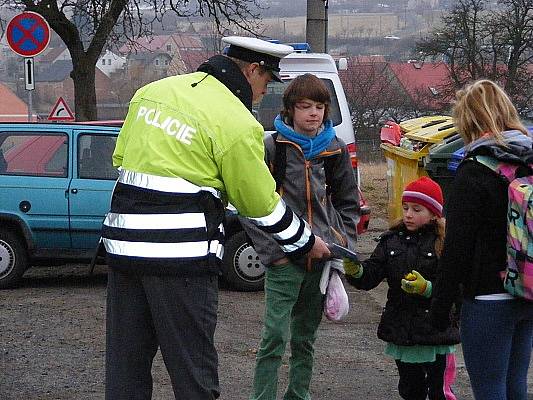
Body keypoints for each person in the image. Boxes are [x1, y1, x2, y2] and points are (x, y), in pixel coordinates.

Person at [101, 37, 332, 400]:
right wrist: (306, 241)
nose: (262, 93)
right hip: (182, 259)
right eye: (266, 82)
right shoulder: (236, 121)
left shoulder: (152, 93)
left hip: (123, 251)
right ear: (252, 70)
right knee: (193, 371)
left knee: (125, 368)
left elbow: (120, 158)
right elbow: (260, 203)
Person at [243, 73, 360, 400]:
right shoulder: (272, 147)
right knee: (275, 337)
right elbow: (249, 204)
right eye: (305, 106)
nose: (313, 113)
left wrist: (340, 244)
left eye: (320, 106)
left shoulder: (334, 150)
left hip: (321, 259)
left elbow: (350, 202)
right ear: (290, 109)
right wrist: (273, 252)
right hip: (284, 261)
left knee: (305, 339)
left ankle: (299, 395)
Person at [428, 79, 533, 400]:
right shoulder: (528, 162)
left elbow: (457, 248)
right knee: (516, 387)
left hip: (488, 298)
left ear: (468, 121)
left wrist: (440, 307)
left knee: (489, 389)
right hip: (527, 293)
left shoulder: (474, 171)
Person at [345, 176, 460, 400]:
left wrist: (427, 288)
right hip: (402, 329)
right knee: (410, 389)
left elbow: (455, 289)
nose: (408, 214)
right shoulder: (390, 241)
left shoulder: (444, 243)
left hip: (435, 331)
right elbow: (371, 275)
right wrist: (355, 270)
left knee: (439, 391)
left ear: (434, 213)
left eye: (417, 209)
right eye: (406, 208)